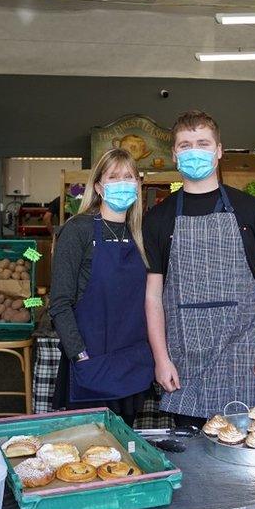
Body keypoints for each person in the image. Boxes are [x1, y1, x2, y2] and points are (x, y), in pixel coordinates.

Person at [143, 110, 255, 428]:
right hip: (184, 358)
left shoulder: (251, 210)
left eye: (203, 143)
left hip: (245, 355)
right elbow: (153, 297)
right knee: (192, 464)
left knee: (250, 457)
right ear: (174, 154)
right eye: (185, 144)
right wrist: (161, 358)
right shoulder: (157, 218)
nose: (194, 151)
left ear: (219, 151)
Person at [49, 148, 154, 426]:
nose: (123, 183)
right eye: (114, 177)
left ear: (138, 184)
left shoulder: (141, 234)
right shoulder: (78, 230)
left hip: (130, 365)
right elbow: (59, 303)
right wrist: (80, 355)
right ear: (98, 186)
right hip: (90, 365)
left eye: (129, 176)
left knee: (125, 458)